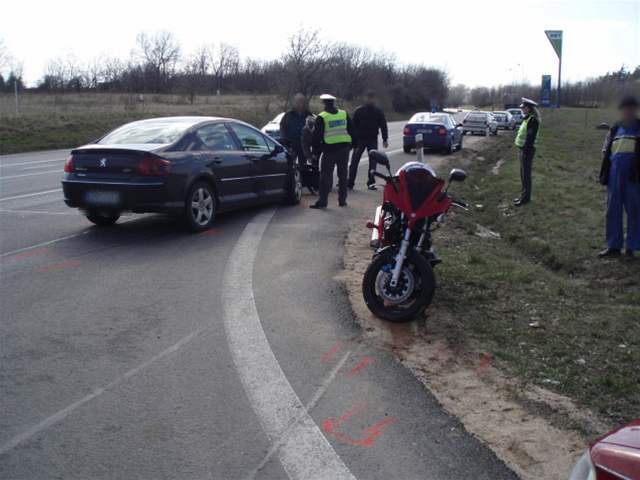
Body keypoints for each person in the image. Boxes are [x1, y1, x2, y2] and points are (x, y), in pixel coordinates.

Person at [598, 95, 640, 258]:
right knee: (612, 209)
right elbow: (605, 149)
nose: (628, 112)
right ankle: (613, 246)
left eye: (631, 108)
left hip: (634, 175)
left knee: (634, 209)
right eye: (625, 109)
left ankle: (632, 246)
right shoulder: (615, 129)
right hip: (615, 173)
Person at [310, 94, 354, 209]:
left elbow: (316, 137)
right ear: (333, 102)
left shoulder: (322, 117)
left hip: (329, 150)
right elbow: (352, 130)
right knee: (343, 175)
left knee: (325, 176)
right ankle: (342, 201)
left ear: (324, 103)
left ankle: (323, 201)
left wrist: (315, 152)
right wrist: (352, 145)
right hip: (344, 149)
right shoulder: (343, 114)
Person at [348, 90, 389, 190]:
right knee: (354, 162)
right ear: (366, 99)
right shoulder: (359, 111)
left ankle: (371, 183)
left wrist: (385, 139)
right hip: (360, 140)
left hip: (372, 139)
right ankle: (350, 182)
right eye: (369, 98)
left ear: (374, 99)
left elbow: (383, 125)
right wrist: (352, 140)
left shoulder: (378, 111)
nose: (370, 100)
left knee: (373, 163)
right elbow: (353, 126)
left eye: (372, 98)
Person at [513, 97, 540, 206]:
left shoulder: (533, 120)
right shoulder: (527, 119)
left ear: (528, 108)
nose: (522, 109)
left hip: (527, 150)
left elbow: (530, 138)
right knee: (523, 174)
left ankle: (525, 199)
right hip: (523, 149)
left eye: (523, 107)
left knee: (526, 175)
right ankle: (523, 196)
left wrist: (525, 150)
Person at [280, 93, 313, 168]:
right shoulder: (288, 115)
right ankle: (291, 179)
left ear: (304, 103)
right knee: (290, 164)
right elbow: (282, 126)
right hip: (291, 143)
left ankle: (302, 179)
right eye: (297, 102)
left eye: (301, 101)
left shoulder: (308, 115)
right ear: (294, 102)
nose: (299, 104)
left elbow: (313, 130)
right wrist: (284, 139)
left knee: (303, 166)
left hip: (303, 145)